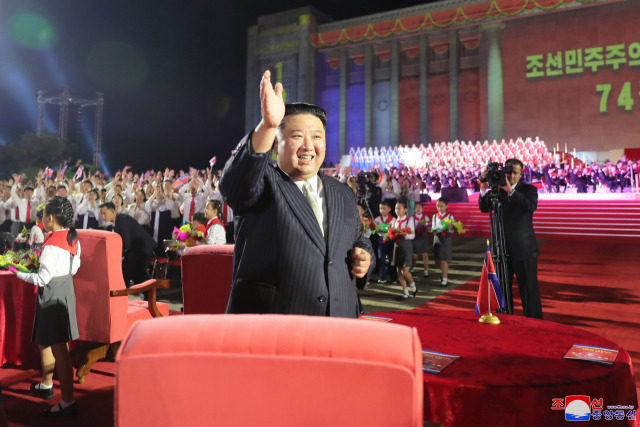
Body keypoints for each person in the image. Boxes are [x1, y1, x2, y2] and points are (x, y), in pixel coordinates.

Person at [219, 70, 373, 318]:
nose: (308, 145)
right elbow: (235, 186)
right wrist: (267, 126)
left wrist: (366, 258)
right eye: (297, 136)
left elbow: (358, 239)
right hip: (274, 325)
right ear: (276, 144)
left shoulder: (342, 192)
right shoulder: (264, 182)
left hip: (340, 320)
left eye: (317, 136)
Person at [13, 196, 80, 417]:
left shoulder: (51, 245)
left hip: (52, 294)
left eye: (43, 215)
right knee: (46, 340)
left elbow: (41, 280)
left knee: (59, 348)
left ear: (50, 218)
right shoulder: (71, 236)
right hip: (65, 289)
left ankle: (68, 401)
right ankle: (47, 384)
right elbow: (74, 268)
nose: (41, 219)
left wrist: (17, 272)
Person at [479, 158, 543, 319]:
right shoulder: (497, 190)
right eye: (508, 172)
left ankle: (535, 323)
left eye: (515, 172)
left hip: (524, 249)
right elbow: (483, 207)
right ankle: (506, 320)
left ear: (521, 174)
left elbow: (530, 206)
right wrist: (483, 184)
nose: (511, 176)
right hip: (501, 249)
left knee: (529, 291)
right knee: (503, 292)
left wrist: (510, 191)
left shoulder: (529, 190)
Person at [100, 202, 155, 287]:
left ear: (113, 212)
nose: (103, 217)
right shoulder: (116, 222)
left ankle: (124, 292)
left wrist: (116, 256)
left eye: (105, 213)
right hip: (135, 249)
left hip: (142, 248)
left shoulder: (122, 220)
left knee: (129, 271)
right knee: (128, 270)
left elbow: (126, 243)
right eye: (101, 214)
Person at [388, 199, 416, 300]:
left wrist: (405, 235)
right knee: (399, 270)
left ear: (405, 210)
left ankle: (412, 285)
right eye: (396, 208)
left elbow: (412, 235)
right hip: (397, 246)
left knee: (405, 270)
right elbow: (391, 234)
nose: (397, 210)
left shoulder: (409, 220)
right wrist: (392, 235)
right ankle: (405, 292)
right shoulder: (395, 221)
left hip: (406, 245)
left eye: (399, 208)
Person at [431, 197, 455, 287]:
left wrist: (451, 227)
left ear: (446, 206)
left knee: (444, 260)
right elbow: (433, 227)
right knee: (437, 261)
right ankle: (444, 272)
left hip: (446, 238)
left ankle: (445, 278)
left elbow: (452, 230)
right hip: (437, 238)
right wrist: (433, 230)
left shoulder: (449, 217)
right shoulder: (434, 216)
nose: (439, 208)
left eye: (441, 206)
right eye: (438, 206)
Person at [374, 200, 397, 284]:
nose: (382, 211)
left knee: (391, 259)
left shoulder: (394, 220)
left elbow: (395, 230)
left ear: (389, 209)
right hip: (381, 240)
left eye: (384, 209)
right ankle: (382, 277)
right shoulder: (377, 219)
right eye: (380, 209)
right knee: (381, 259)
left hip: (390, 241)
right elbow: (375, 230)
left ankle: (393, 278)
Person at [410, 202, 430, 277]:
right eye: (416, 207)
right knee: (414, 256)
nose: (418, 209)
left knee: (425, 254)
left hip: (423, 237)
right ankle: (412, 267)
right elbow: (410, 228)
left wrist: (427, 227)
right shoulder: (412, 218)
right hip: (415, 237)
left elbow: (428, 228)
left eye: (420, 207)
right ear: (414, 209)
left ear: (422, 209)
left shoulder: (425, 217)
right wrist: (416, 227)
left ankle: (426, 271)